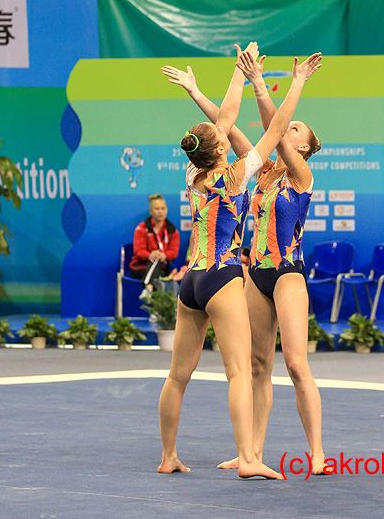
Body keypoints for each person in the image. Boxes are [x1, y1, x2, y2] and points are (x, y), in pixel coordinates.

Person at [157, 43, 322, 478]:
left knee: (178, 377)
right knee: (239, 373)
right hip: (224, 275)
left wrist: (215, 85)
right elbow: (268, 125)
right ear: (218, 149)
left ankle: (168, 455)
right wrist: (294, 82)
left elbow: (224, 123)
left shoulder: (194, 174)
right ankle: (249, 458)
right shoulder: (239, 175)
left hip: (191, 278)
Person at [129, 194, 180, 283]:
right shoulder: (141, 228)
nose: (160, 212)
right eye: (156, 209)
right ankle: (151, 288)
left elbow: (174, 252)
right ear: (150, 211)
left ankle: (149, 289)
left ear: (166, 210)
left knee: (159, 267)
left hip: (162, 265)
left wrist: (164, 255)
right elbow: (138, 251)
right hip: (141, 266)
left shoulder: (172, 230)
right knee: (156, 271)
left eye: (163, 208)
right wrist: (150, 255)